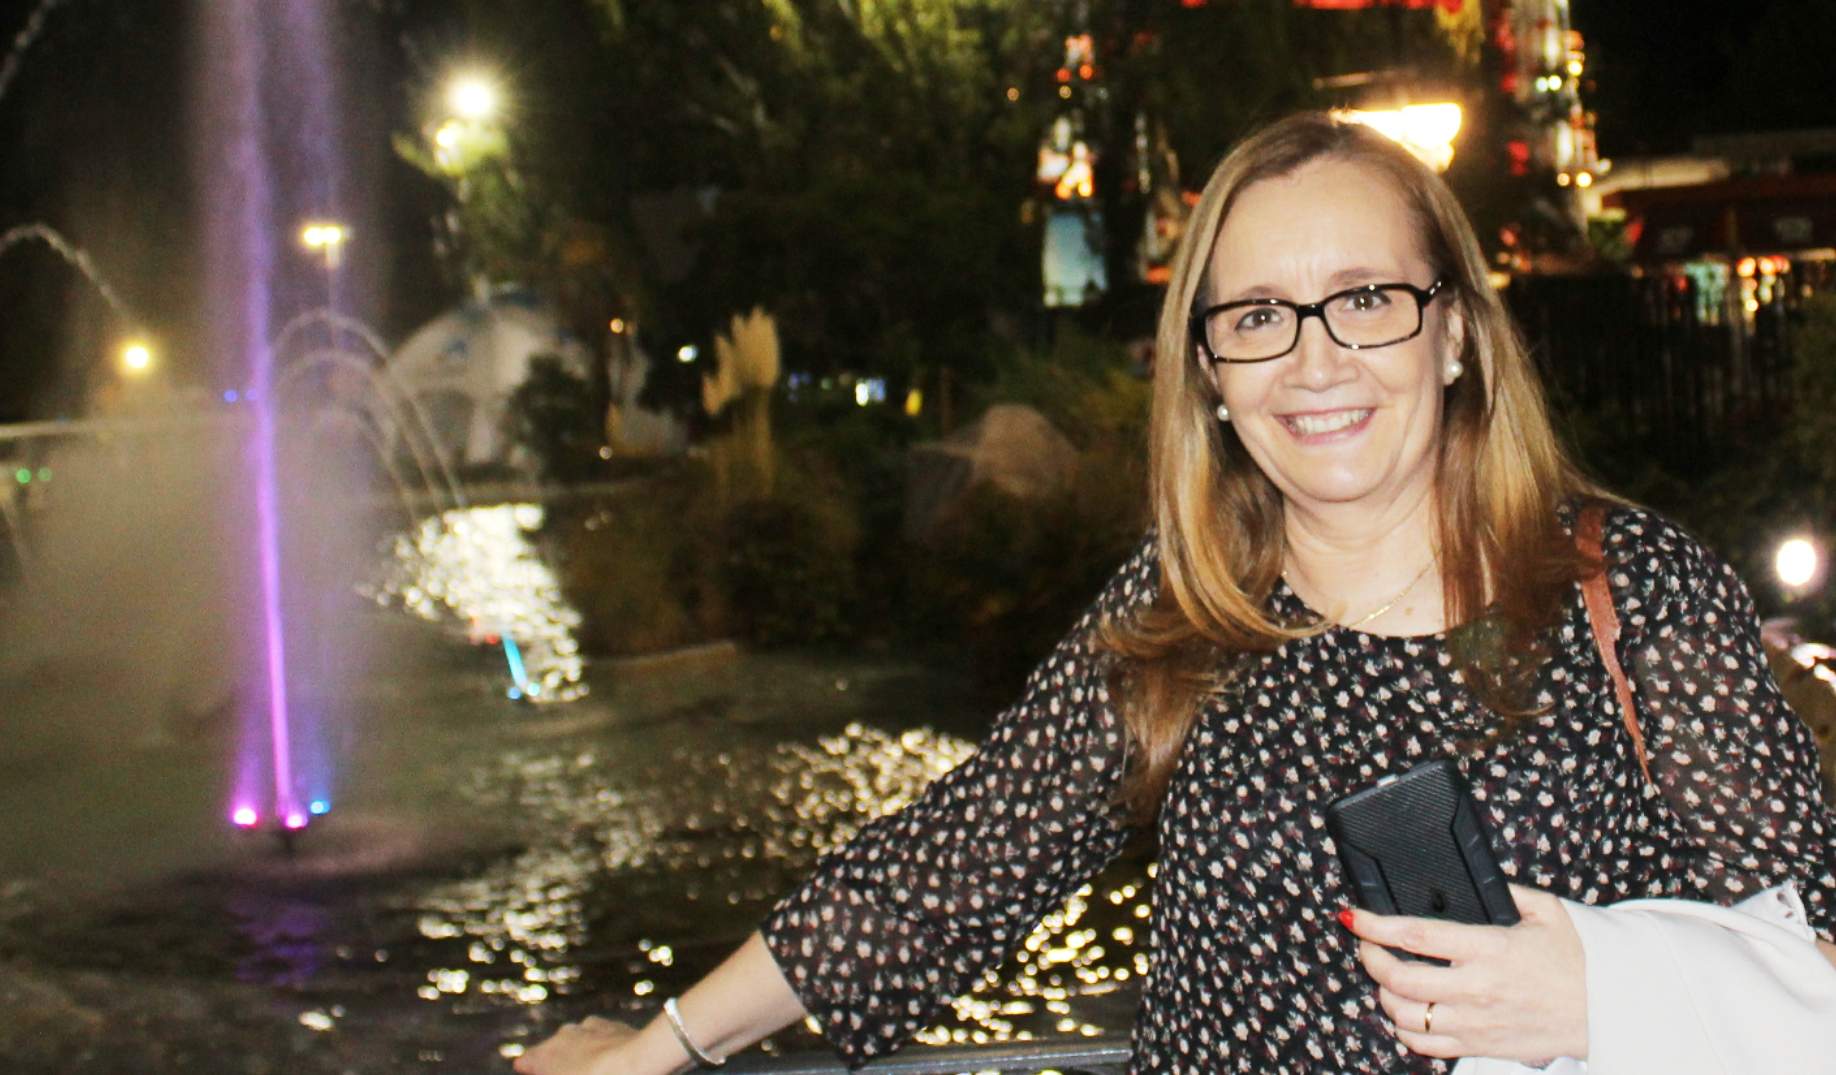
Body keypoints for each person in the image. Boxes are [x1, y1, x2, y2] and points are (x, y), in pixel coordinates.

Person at [516, 112, 1836, 1074]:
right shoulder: (1191, 607)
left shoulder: (1632, 595)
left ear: (1452, 335)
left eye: (1365, 299)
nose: (1314, 360)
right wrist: (659, 1047)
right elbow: (959, 861)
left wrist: (1602, 992)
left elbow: (1814, 958)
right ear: (1208, 372)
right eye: (1257, 316)